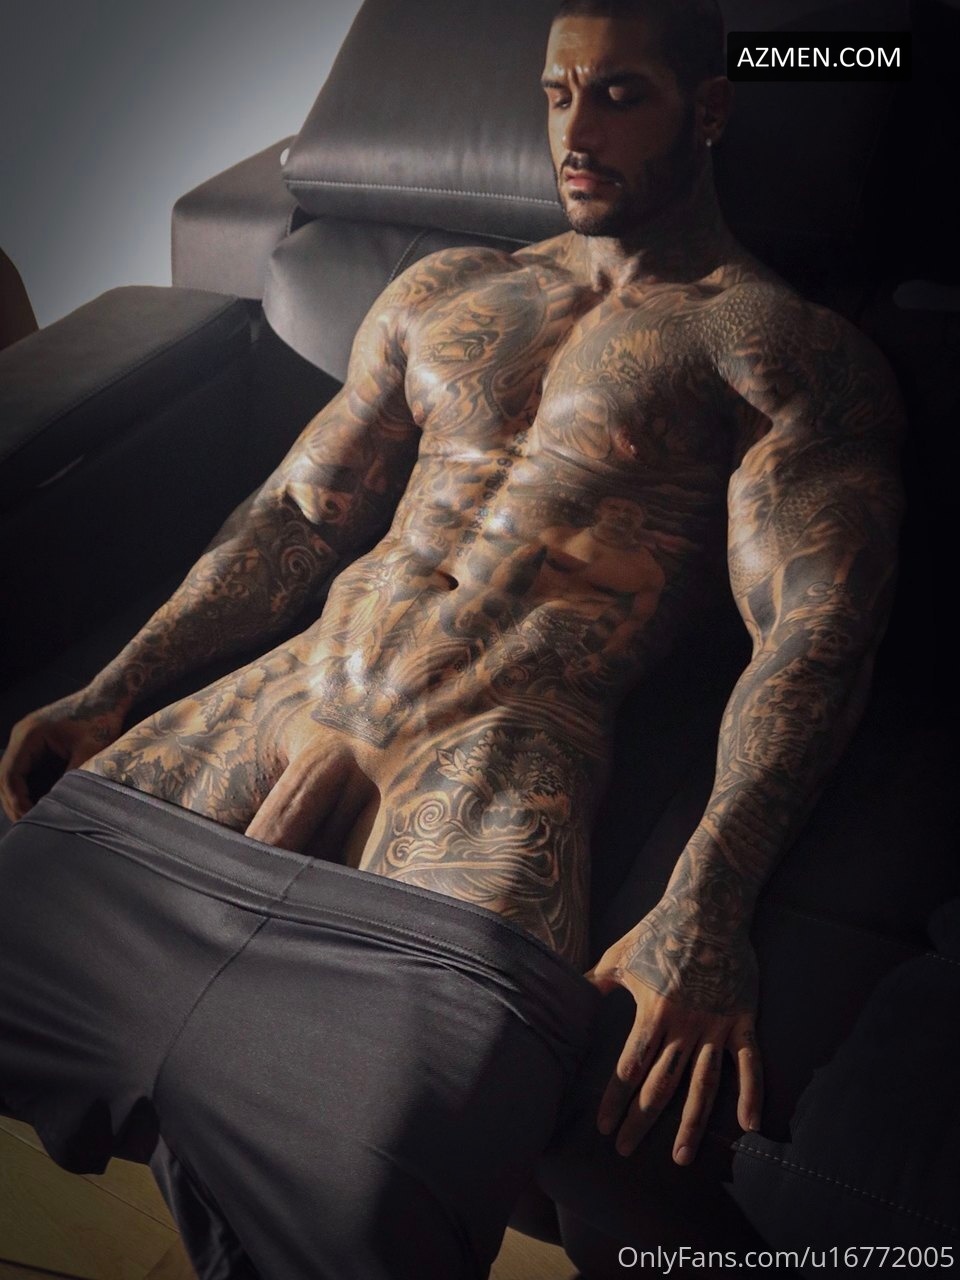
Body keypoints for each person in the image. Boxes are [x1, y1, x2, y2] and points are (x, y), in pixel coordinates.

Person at [0, 0, 903, 1273]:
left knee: (372, 1207)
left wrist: (708, 895)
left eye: (620, 94)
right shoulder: (445, 289)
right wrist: (113, 689)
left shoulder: (777, 347)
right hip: (273, 701)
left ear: (708, 109)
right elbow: (298, 513)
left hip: (490, 767)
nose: (576, 132)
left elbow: (813, 633)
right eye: (557, 93)